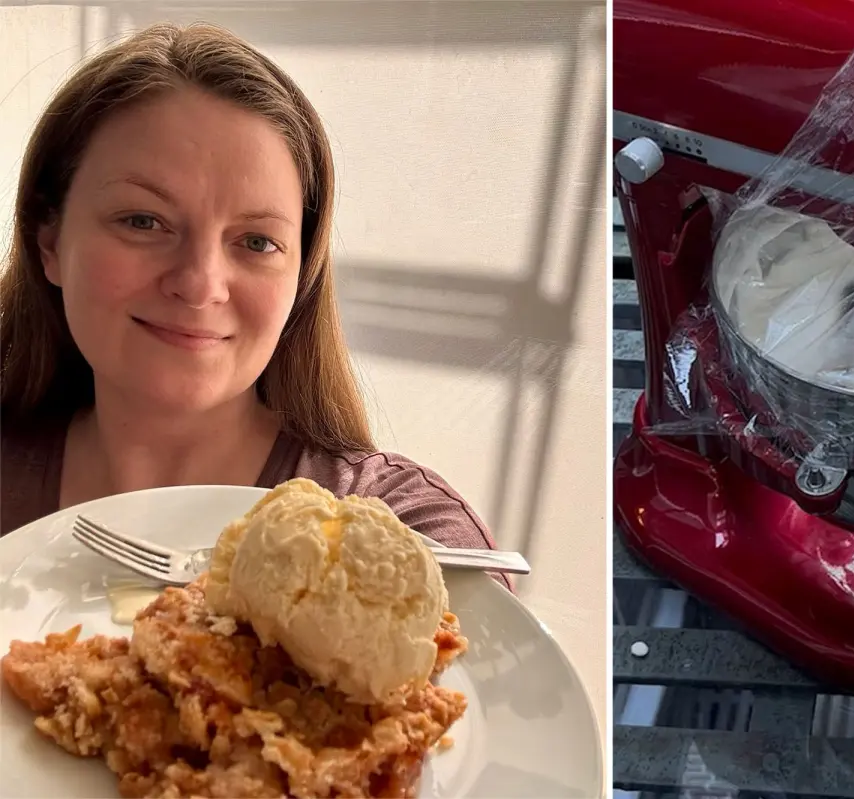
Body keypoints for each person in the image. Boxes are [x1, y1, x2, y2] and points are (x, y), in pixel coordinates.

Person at [0, 22, 499, 565]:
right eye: (143, 221)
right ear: (48, 241)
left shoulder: (407, 535)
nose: (199, 285)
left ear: (301, 274)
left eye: (257, 241)